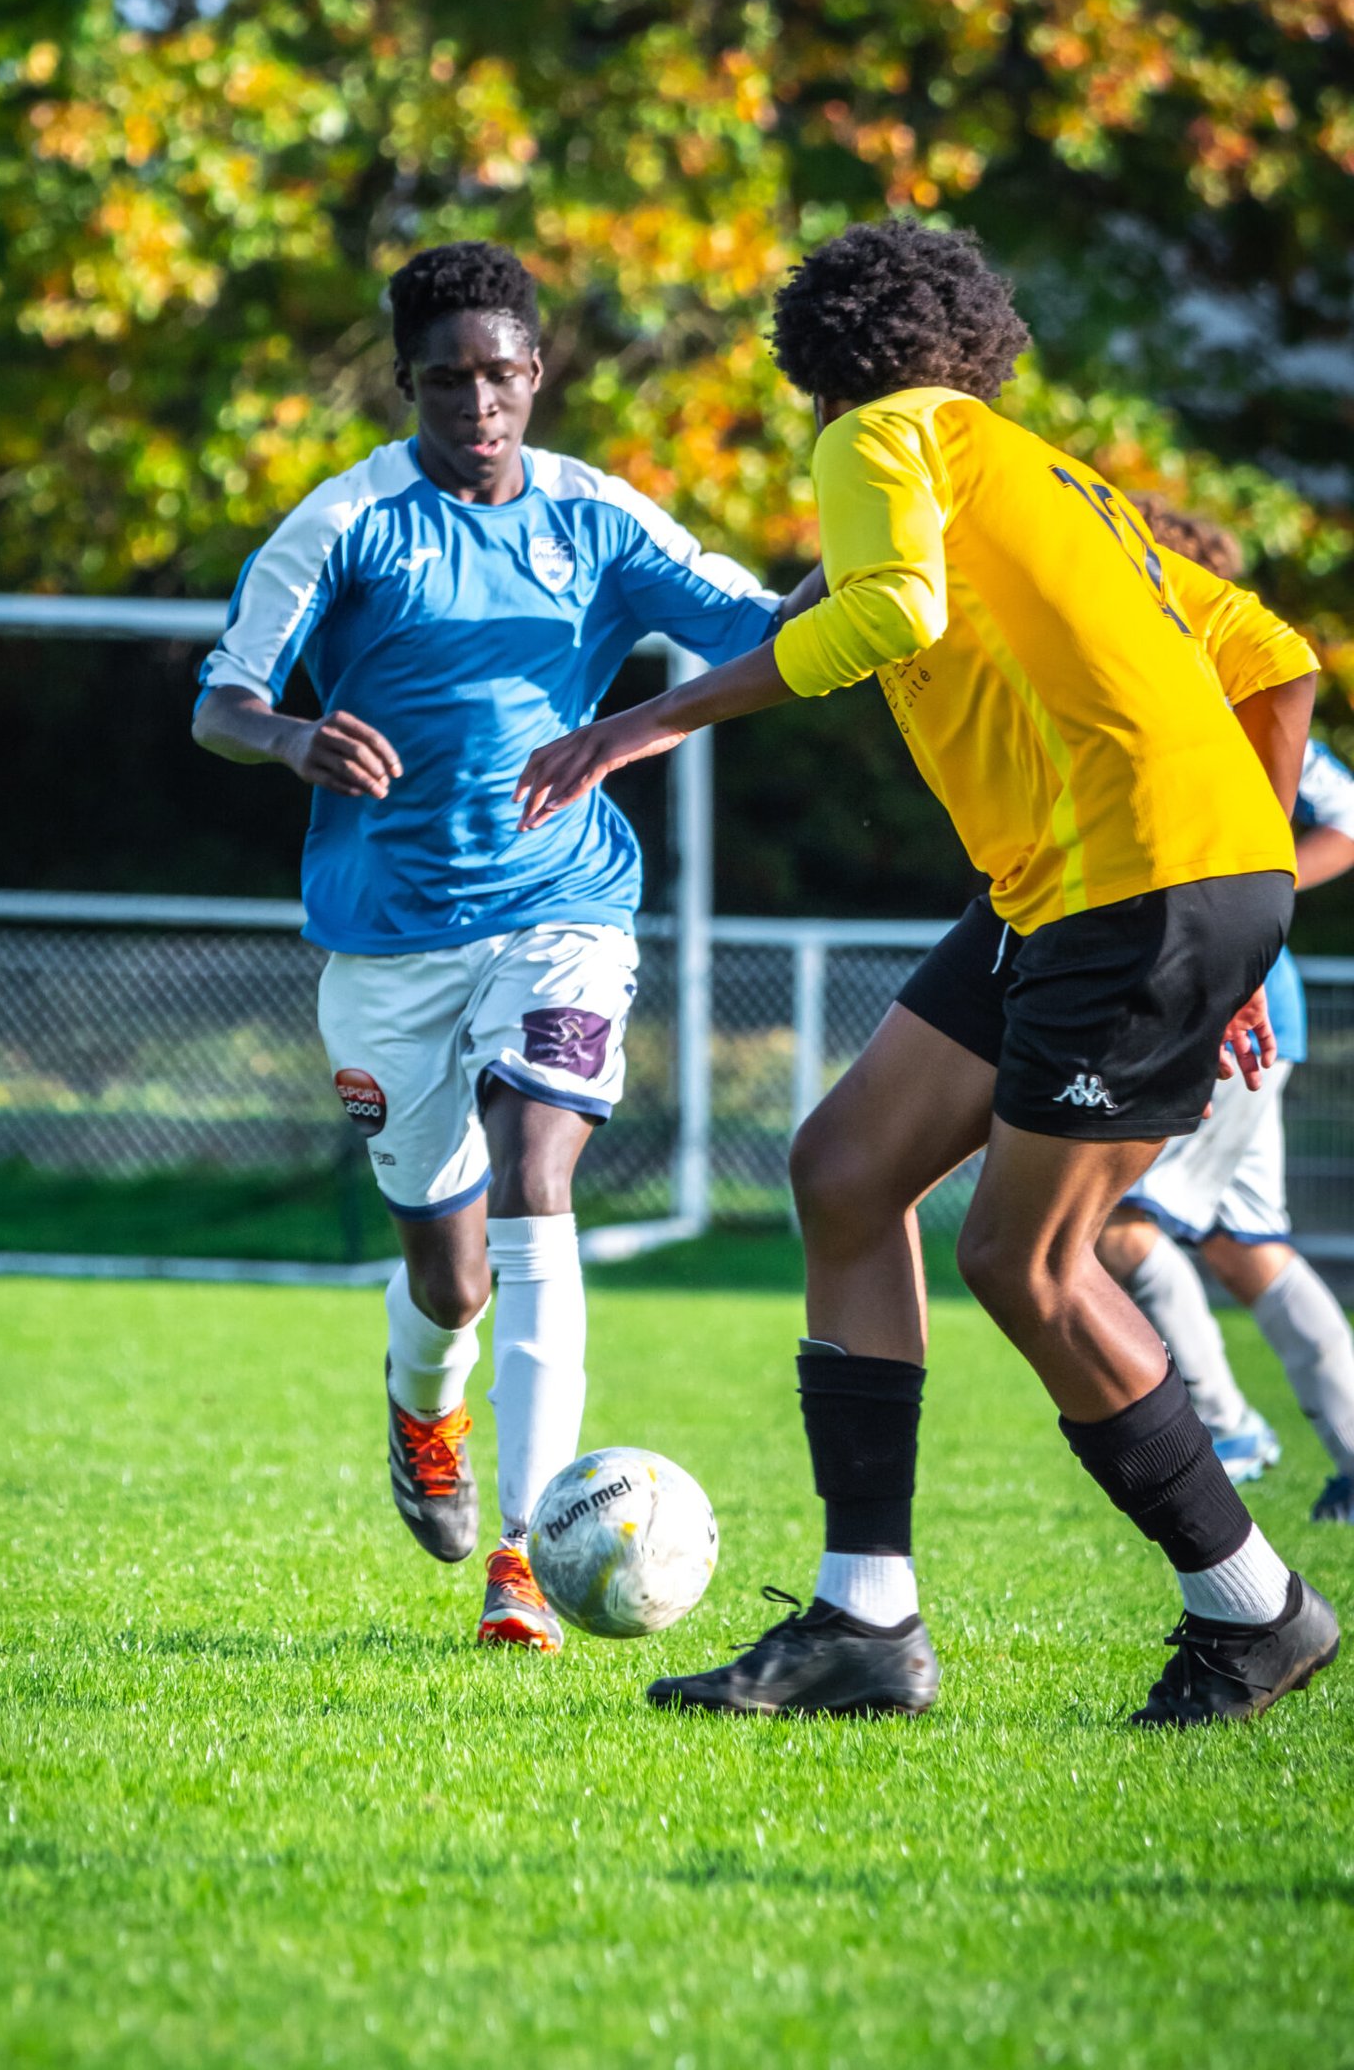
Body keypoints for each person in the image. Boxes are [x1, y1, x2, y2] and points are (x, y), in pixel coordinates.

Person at [517, 219, 1340, 1725]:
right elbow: (1277, 661)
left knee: (1026, 1263)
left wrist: (645, 722)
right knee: (845, 1170)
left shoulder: (876, 435)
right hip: (1094, 891)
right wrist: (1248, 900)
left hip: (1129, 892)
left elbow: (896, 609)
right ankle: (866, 1624)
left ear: (817, 365)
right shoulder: (1046, 475)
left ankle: (1254, 1609)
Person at [194, 241, 812, 1652]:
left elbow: (767, 634)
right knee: (450, 1275)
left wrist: (876, 550)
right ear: (405, 382)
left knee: (539, 1177)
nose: (478, 402)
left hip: (561, 906)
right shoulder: (345, 523)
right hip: (386, 938)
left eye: (501, 374)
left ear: (537, 371)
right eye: (447, 379)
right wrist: (292, 738)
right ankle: (424, 1412)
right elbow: (222, 700)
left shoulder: (600, 516)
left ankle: (524, 1554)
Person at [1094, 502, 1354, 1520]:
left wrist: (1247, 893)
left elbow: (1344, 820)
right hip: (1245, 1009)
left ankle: (1225, 1426)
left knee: (1107, 1225)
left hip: (1227, 1009)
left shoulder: (1217, 692)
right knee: (1248, 1245)